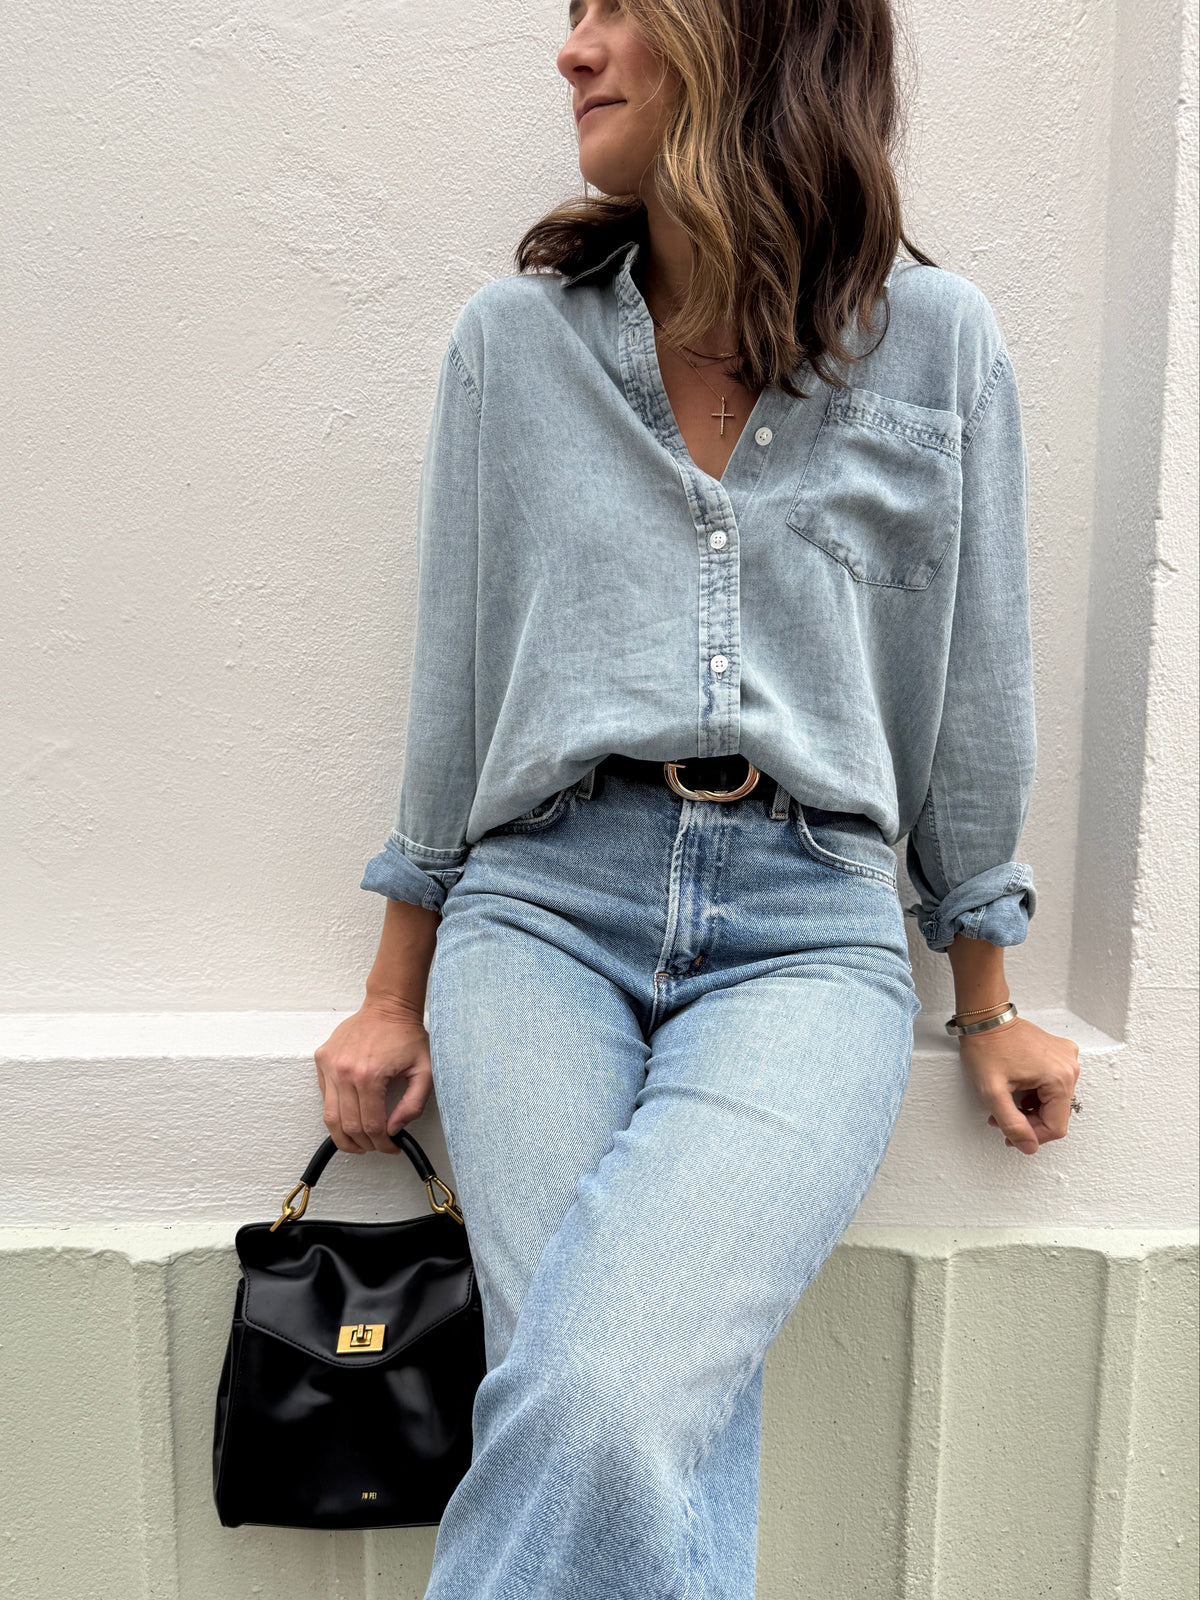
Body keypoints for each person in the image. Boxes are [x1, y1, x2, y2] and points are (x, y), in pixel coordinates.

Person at [314, 1, 1082, 1594]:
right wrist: (394, 987)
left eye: (617, 8)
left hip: (809, 927)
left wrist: (987, 993)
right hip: (543, 909)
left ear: (753, 33)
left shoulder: (940, 343)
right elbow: (458, 678)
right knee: (626, 1412)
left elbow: (974, 684)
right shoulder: (512, 346)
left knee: (609, 1394)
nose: (572, 50)